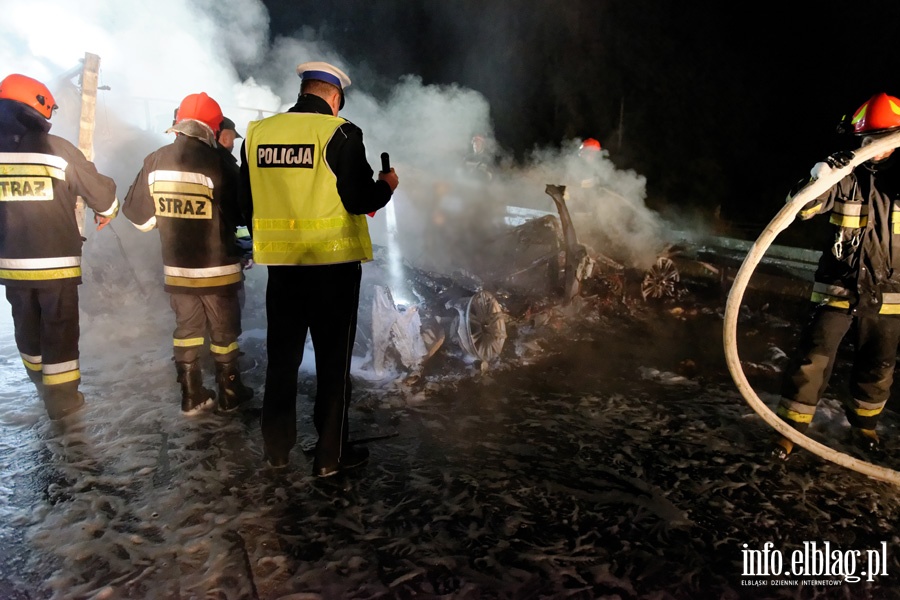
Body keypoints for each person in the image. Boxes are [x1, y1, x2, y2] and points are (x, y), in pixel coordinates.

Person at [239, 60, 399, 477]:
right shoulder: (340, 132)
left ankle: (276, 451)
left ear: (303, 91)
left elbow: (245, 203)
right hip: (333, 271)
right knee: (332, 366)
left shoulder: (258, 134)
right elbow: (360, 198)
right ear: (334, 97)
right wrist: (387, 185)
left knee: (282, 361)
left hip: (284, 271)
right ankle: (330, 457)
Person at [773, 92, 900, 460]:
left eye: (884, 139)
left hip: (890, 293)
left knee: (878, 366)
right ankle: (789, 431)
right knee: (812, 360)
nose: (875, 148)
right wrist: (819, 178)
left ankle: (864, 428)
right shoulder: (844, 176)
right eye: (868, 140)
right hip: (837, 289)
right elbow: (800, 208)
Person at [122, 92, 253, 415]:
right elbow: (242, 215)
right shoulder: (219, 163)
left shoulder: (154, 160)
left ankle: (191, 394)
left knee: (186, 330)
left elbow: (138, 216)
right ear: (211, 127)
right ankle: (229, 391)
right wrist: (245, 247)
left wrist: (165, 222)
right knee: (224, 333)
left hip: (177, 271)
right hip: (218, 270)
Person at [0, 73, 118, 420]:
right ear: (38, 107)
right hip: (58, 263)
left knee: (26, 325)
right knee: (59, 328)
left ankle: (39, 384)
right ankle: (63, 401)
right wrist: (107, 212)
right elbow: (103, 195)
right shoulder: (58, 149)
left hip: (10, 264)